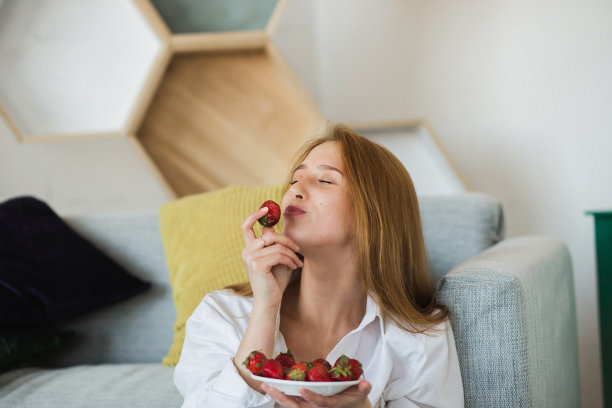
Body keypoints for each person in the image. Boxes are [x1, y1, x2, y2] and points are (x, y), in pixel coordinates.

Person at [174, 124, 464, 407]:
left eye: (325, 180)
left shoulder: (419, 337)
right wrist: (265, 306)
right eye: (294, 180)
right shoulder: (221, 314)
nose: (295, 191)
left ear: (375, 214)